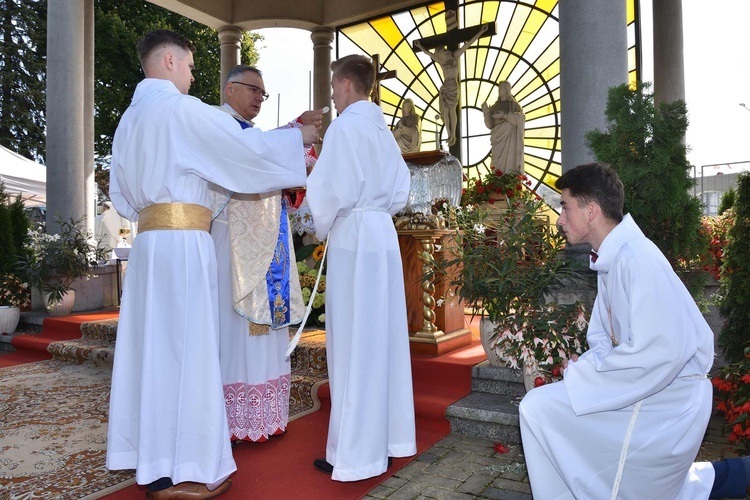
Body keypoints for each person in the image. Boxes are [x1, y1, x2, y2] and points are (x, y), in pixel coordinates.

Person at [105, 29, 318, 500]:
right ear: (168, 61)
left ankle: (154, 464)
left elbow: (119, 195)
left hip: (148, 246)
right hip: (183, 245)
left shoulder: (129, 120)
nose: (193, 74)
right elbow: (242, 152)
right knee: (188, 352)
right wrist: (296, 138)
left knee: (152, 353)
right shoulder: (180, 110)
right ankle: (189, 466)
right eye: (190, 66)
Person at [518, 162, 749, 499]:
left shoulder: (636, 259)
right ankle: (739, 473)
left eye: (565, 207)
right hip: (649, 389)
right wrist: (585, 369)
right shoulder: (613, 259)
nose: (559, 218)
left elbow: (660, 352)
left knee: (540, 409)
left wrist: (586, 379)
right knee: (541, 409)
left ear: (591, 211)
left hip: (668, 400)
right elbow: (604, 339)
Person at [305, 54, 416, 481]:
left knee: (352, 345)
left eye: (334, 86)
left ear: (346, 84)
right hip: (383, 237)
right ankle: (385, 444)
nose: (332, 94)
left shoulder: (347, 127)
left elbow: (330, 192)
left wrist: (315, 212)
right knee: (381, 341)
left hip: (354, 236)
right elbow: (401, 191)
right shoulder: (381, 130)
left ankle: (351, 454)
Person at [210, 64, 322, 443]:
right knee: (236, 329)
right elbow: (252, 155)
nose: (259, 97)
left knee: (264, 331)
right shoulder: (219, 126)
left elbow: (262, 151)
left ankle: (261, 416)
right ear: (229, 90)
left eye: (263, 93)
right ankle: (234, 420)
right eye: (253, 89)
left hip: (268, 241)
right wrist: (295, 134)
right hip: (235, 245)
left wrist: (293, 130)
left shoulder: (247, 133)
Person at [414, 23, 488, 147]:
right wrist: (420, 46)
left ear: (444, 51)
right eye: (439, 54)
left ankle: (453, 134)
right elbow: (428, 53)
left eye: (441, 52)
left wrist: (480, 32)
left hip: (453, 87)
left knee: (452, 110)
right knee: (447, 111)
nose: (440, 54)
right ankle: (449, 134)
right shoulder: (441, 61)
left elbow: (467, 44)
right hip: (445, 87)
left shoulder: (454, 56)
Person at [482, 81, 525, 174]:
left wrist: (505, 115)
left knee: (510, 161)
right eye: (499, 89)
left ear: (507, 90)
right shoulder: (494, 107)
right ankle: (497, 181)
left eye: (501, 88)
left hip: (510, 139)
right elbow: (490, 125)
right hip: (497, 138)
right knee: (496, 162)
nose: (499, 90)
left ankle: (509, 179)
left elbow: (521, 119)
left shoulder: (515, 106)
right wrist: (486, 113)